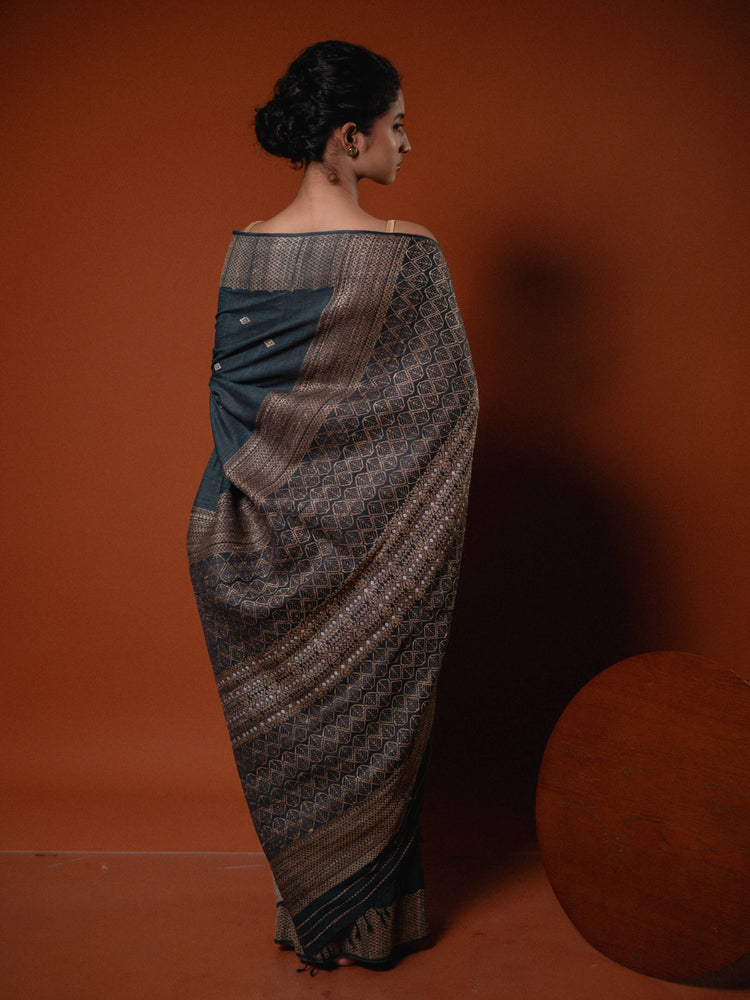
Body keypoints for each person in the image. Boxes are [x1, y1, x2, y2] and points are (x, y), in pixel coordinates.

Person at [187, 40, 478, 971]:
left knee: (308, 736)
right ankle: (371, 927)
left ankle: (306, 916)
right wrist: (388, 530)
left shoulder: (244, 253)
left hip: (252, 540)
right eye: (397, 125)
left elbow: (239, 409)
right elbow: (446, 409)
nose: (408, 143)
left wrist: (300, 503)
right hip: (374, 552)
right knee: (370, 724)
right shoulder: (408, 257)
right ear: (350, 139)